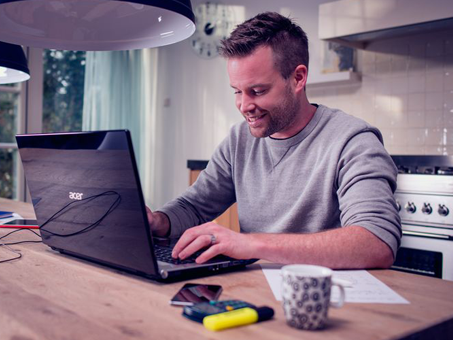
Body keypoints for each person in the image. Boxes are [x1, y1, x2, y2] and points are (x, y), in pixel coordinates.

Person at [146, 12, 401, 269]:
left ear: (298, 78)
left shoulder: (352, 141)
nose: (244, 105)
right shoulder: (239, 141)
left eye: (257, 91)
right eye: (237, 91)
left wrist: (252, 244)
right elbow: (195, 206)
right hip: (256, 289)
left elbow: (376, 242)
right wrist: (159, 220)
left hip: (324, 300)